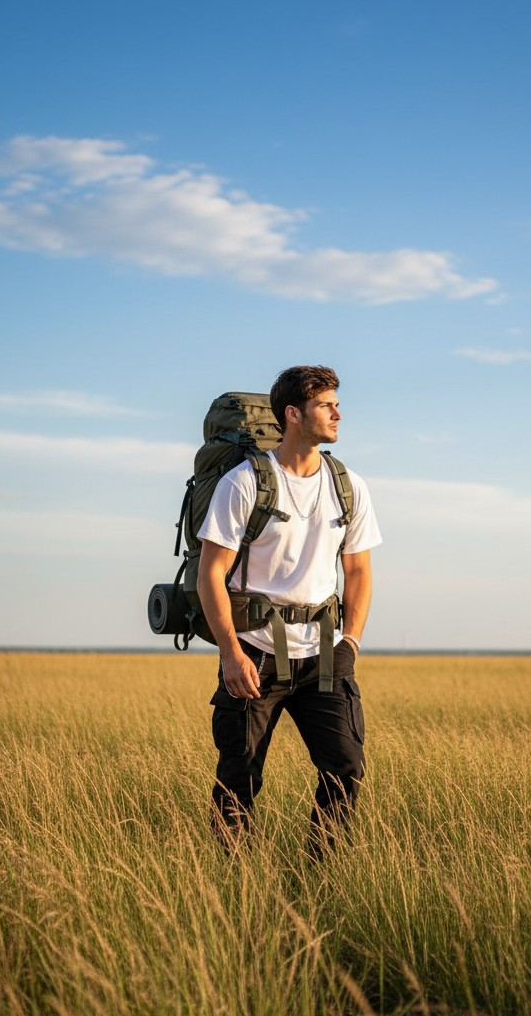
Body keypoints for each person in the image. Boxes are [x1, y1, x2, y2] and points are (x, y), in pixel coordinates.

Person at [197, 365, 382, 855]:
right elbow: (210, 574)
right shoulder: (243, 483)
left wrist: (351, 643)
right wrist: (231, 653)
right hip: (255, 654)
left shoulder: (349, 486)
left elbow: (358, 572)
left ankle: (316, 870)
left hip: (324, 655)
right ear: (293, 414)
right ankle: (232, 877)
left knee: (346, 767)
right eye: (327, 405)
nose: (339, 413)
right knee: (240, 776)